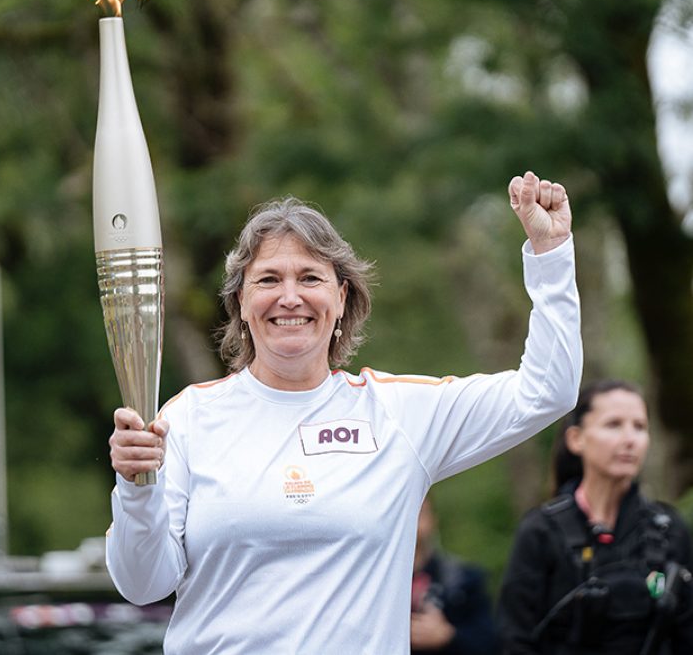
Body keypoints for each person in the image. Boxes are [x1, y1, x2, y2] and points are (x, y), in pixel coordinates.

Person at [106, 171, 582, 654]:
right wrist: (136, 489)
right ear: (241, 304)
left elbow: (548, 391)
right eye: (268, 279)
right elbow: (142, 585)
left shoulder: (398, 414)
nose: (289, 297)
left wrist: (552, 255)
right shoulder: (187, 418)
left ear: (341, 298)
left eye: (310, 278)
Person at [498, 379, 693, 655]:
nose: (630, 440)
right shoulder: (541, 531)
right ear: (576, 438)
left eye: (639, 427)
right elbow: (514, 638)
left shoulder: (668, 529)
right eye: (613, 424)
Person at [411, 495, 501, 654]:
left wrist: (448, 636)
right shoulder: (373, 584)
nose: (412, 520)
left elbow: (490, 642)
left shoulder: (463, 579)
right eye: (405, 512)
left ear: (433, 518)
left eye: (419, 511)